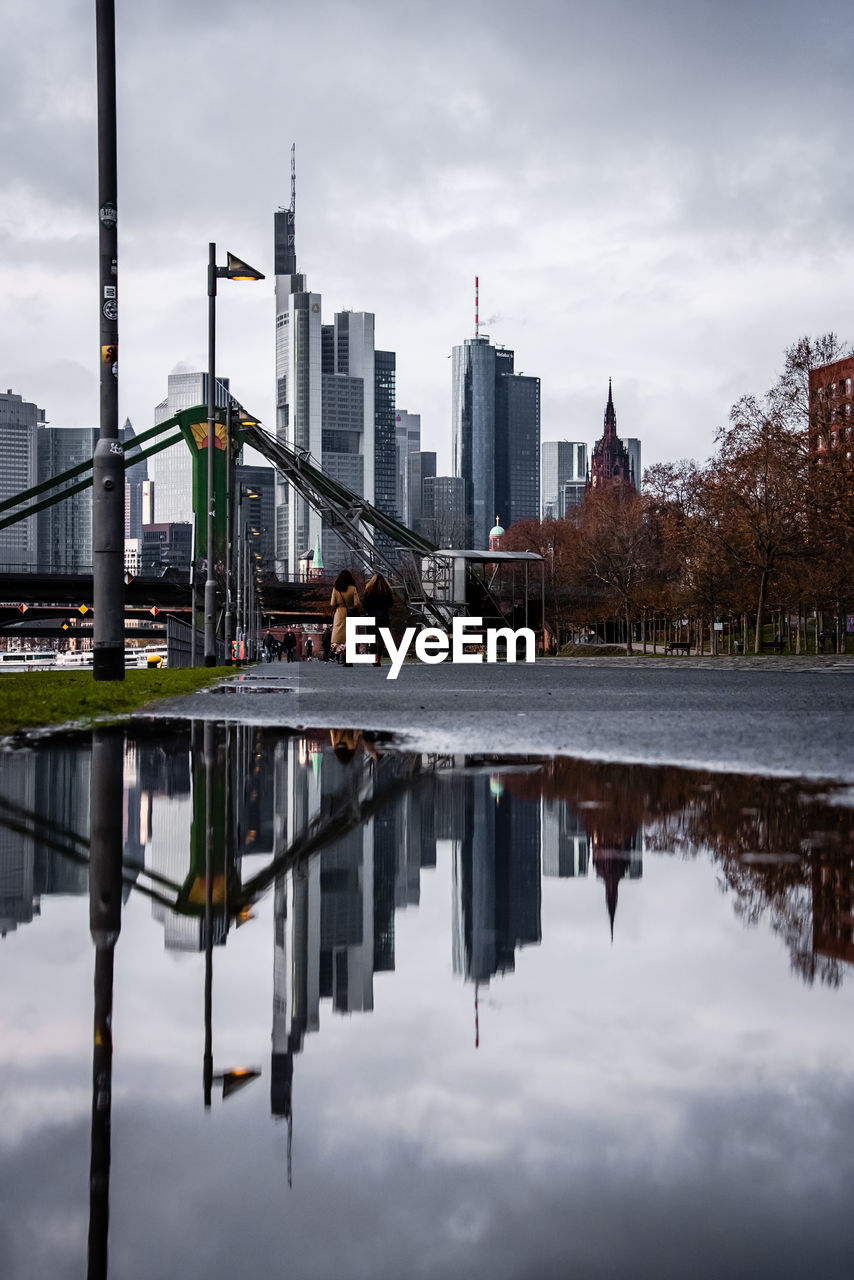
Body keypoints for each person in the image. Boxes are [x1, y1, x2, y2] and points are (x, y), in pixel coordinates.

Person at [362, 571, 395, 666]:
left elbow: (364, 603)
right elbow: (391, 603)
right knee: (381, 639)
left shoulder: (368, 590)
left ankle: (373, 657)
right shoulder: (386, 591)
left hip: (371, 617)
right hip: (383, 616)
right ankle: (378, 658)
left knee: (372, 638)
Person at [330, 569, 361, 663]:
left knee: (340, 635)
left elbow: (332, 603)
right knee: (350, 635)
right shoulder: (353, 588)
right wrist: (351, 606)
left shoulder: (336, 589)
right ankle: (349, 659)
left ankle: (342, 656)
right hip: (350, 612)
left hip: (339, 613)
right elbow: (357, 603)